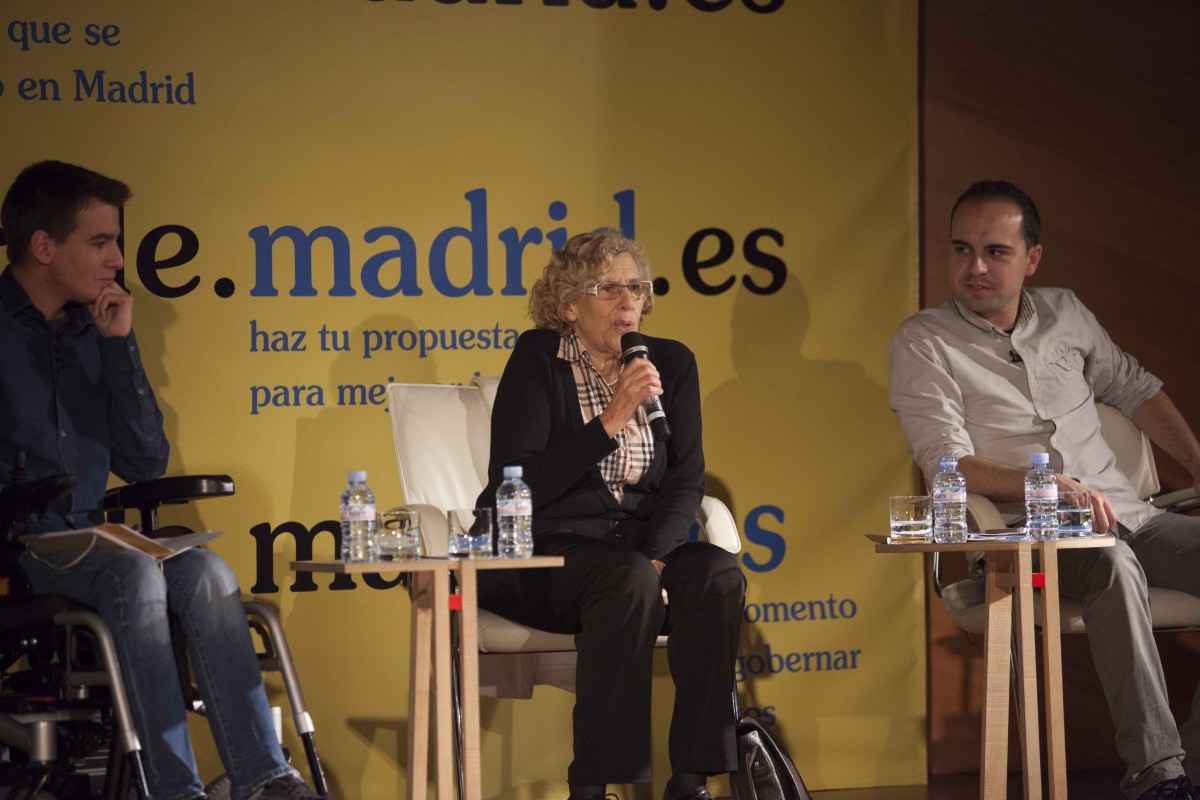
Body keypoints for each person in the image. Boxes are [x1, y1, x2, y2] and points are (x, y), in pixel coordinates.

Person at [0, 161, 320, 800]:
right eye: (100, 242)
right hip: (20, 545)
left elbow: (144, 464)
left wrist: (118, 346)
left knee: (210, 574)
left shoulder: (98, 327)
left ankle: (264, 779)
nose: (118, 258)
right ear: (43, 246)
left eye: (117, 241)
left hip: (94, 540)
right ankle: (175, 791)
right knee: (135, 573)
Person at [888, 180, 1200, 800]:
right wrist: (1048, 484)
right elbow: (944, 461)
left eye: (995, 251)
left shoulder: (1068, 313)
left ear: (1032, 259)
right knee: (1109, 562)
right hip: (1025, 539)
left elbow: (1135, 389)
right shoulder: (923, 341)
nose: (974, 267)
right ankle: (1158, 776)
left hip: (1134, 514)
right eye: (961, 250)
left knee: (1121, 546)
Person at [473, 229, 745, 800]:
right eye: (609, 288)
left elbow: (685, 479)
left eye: (637, 288)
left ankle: (692, 781)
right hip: (548, 552)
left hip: (641, 552)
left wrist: (661, 556)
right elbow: (515, 483)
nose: (629, 302)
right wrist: (612, 419)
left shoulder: (670, 362)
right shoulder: (537, 359)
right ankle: (593, 786)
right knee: (627, 581)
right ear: (569, 305)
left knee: (716, 574)